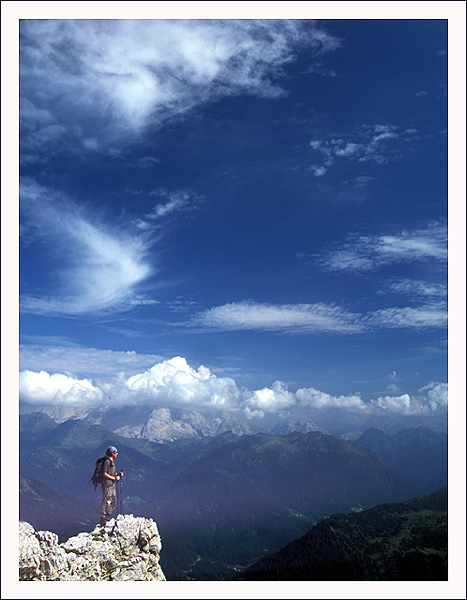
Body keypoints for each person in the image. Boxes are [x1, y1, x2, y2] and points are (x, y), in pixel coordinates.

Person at [100, 445, 123, 526]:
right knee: (106, 500)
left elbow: (111, 473)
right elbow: (104, 474)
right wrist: (114, 478)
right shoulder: (107, 461)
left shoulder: (111, 461)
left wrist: (118, 474)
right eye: (116, 452)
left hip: (111, 484)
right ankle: (103, 519)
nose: (117, 453)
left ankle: (108, 516)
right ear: (112, 453)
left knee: (113, 501)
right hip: (107, 485)